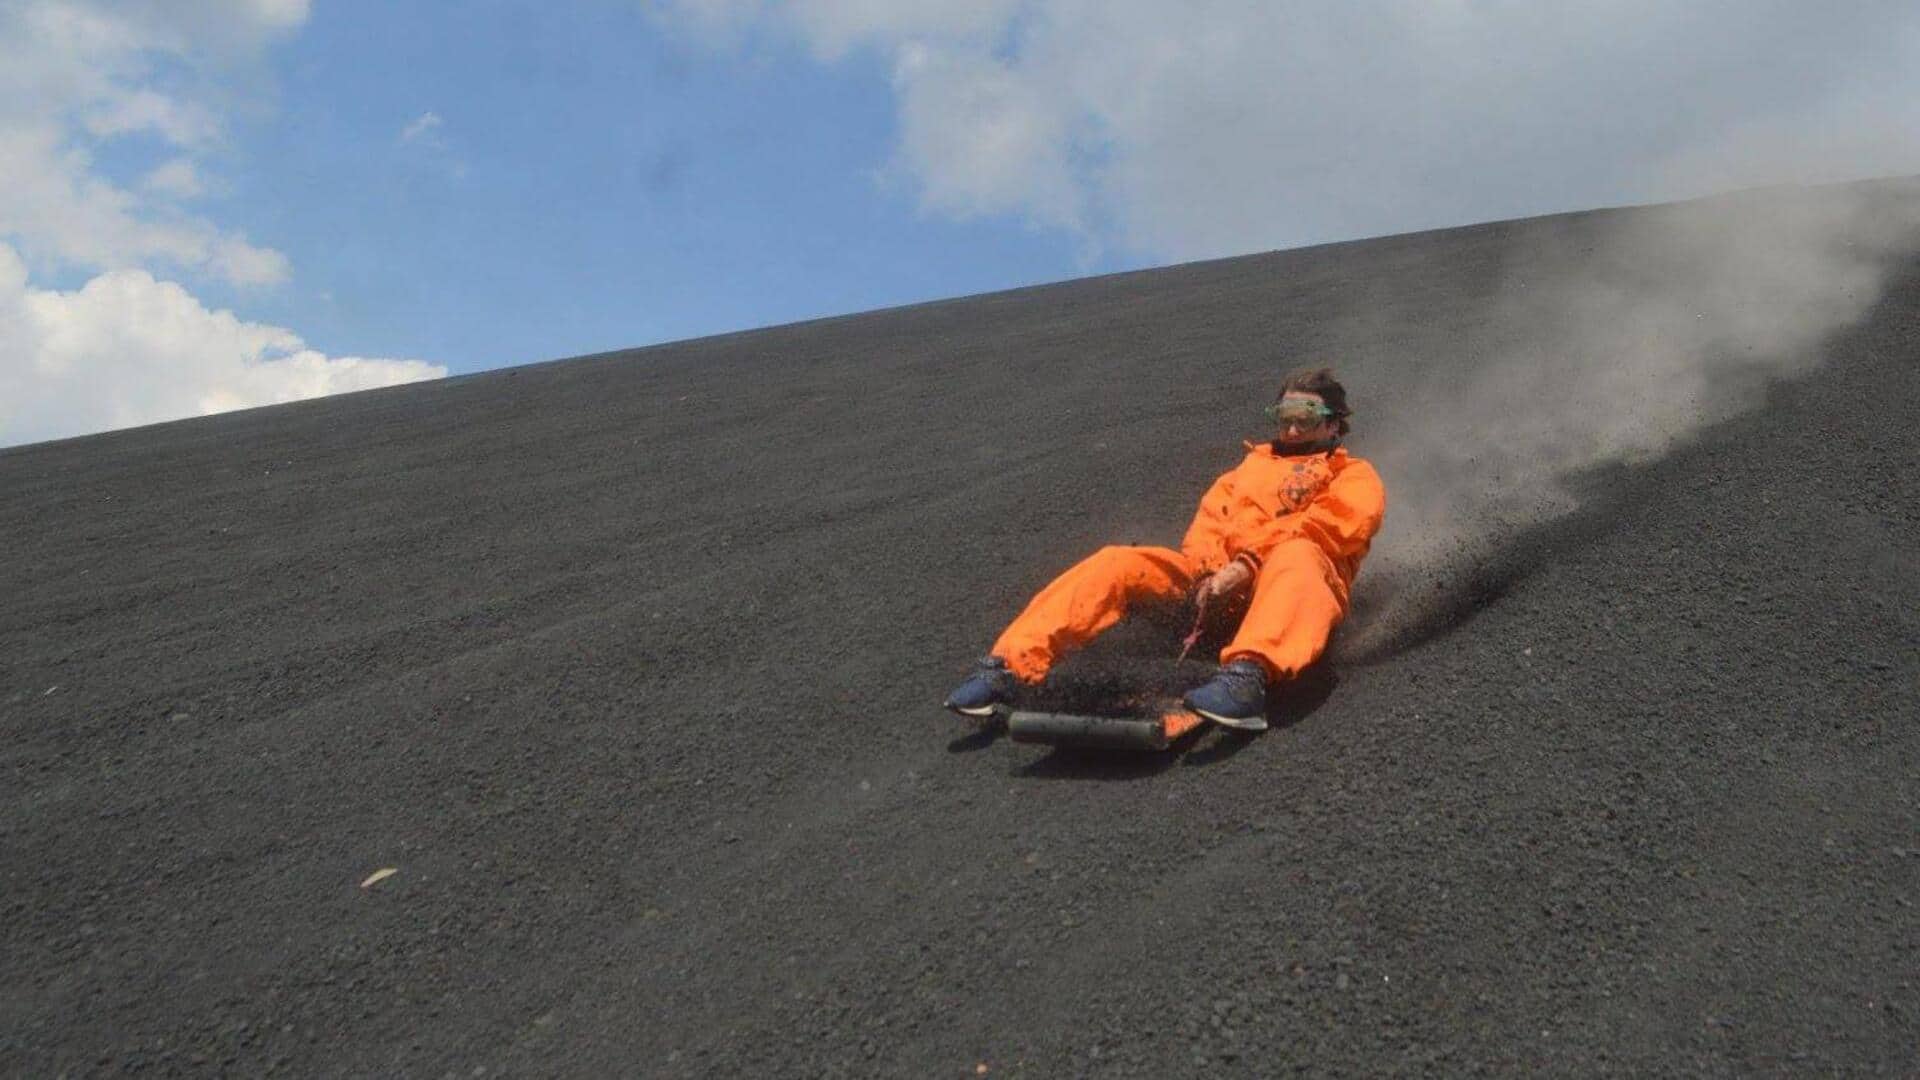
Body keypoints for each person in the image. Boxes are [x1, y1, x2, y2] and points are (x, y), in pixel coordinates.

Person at [944, 367, 1387, 730]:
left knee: (1299, 554)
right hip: (1215, 591)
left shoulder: (1354, 476)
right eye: (1285, 414)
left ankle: (1247, 678)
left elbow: (1328, 529)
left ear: (1332, 422)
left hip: (1290, 593)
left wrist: (1248, 565)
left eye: (1306, 418)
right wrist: (1208, 576)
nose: (1292, 427)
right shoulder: (1241, 473)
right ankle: (1007, 669)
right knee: (1119, 561)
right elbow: (1207, 531)